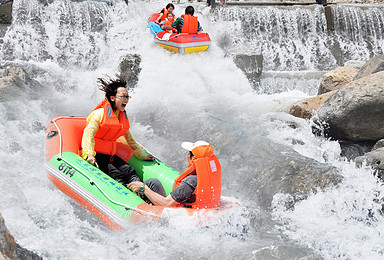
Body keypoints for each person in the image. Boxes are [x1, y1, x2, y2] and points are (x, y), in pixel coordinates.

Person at [81, 77, 154, 187]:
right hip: (96, 155)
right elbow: (88, 134)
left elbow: (130, 140)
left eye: (127, 97)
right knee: (116, 175)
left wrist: (142, 155)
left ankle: (142, 194)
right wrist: (89, 154)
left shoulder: (121, 116)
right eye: (123, 96)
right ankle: (128, 199)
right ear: (113, 98)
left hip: (111, 155)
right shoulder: (100, 114)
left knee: (129, 171)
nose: (126, 99)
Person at [128, 141, 222, 209]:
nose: (187, 156)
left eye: (188, 154)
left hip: (174, 216)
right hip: (195, 211)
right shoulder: (210, 178)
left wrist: (143, 188)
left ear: (193, 158)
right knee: (154, 183)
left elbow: (167, 204)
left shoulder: (191, 181)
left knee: (151, 183)